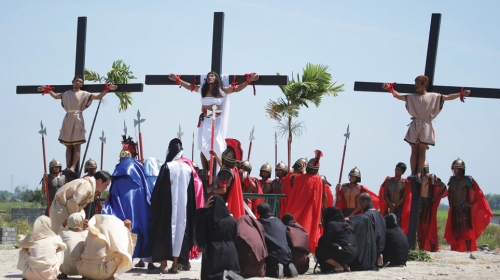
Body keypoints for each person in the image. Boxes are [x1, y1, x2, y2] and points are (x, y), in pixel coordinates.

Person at [382, 76, 471, 178]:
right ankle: (413, 173)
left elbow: (448, 97)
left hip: (426, 124)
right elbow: (399, 96)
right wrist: (390, 89)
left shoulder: (434, 96)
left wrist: (461, 93)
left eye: (418, 84)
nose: (416, 86)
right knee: (414, 151)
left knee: (422, 151)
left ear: (424, 85)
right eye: (415, 84)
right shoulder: (412, 97)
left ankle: (418, 173)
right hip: (415, 123)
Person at [168, 72, 259, 172]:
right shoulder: (203, 89)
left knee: (215, 146)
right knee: (202, 146)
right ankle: (205, 170)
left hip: (216, 121)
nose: (209, 77)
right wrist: (177, 80)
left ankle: (213, 170)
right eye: (208, 76)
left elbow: (237, 89)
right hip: (204, 120)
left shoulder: (221, 90)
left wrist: (248, 81)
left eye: (212, 76)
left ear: (216, 79)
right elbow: (190, 87)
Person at [38, 76, 117, 172]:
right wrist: (47, 89)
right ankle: (68, 166)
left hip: (77, 119)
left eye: (80, 82)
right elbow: (55, 96)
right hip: (68, 119)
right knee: (68, 145)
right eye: (77, 81)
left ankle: (73, 167)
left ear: (82, 84)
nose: (78, 83)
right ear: (73, 82)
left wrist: (107, 89)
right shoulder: (66, 94)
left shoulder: (84, 94)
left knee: (76, 145)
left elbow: (98, 97)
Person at [101, 136, 152, 266]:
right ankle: (145, 259)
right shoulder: (140, 169)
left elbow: (112, 191)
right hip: (139, 206)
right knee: (142, 227)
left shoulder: (118, 171)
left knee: (125, 228)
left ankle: (127, 258)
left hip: (122, 207)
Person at [149, 138, 197, 274]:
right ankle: (175, 266)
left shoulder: (167, 167)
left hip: (167, 208)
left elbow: (159, 190)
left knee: (164, 232)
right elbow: (191, 193)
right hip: (184, 208)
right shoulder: (189, 169)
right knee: (181, 233)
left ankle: (163, 264)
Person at [444, 158, 492, 252]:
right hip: (455, 208)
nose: (455, 170)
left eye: (456, 168)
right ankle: (456, 248)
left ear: (461, 169)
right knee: (455, 230)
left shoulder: (467, 180)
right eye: (454, 168)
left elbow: (477, 193)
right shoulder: (452, 180)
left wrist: (471, 204)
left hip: (464, 209)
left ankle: (469, 250)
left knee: (466, 231)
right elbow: (450, 192)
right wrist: (450, 202)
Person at [285, 151, 327, 254]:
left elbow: (302, 179)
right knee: (308, 228)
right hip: (311, 210)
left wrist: (303, 173)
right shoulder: (318, 179)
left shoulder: (298, 178)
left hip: (297, 208)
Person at [76, 215, 136, 280]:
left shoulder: (91, 232)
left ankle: (91, 274)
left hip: (82, 269)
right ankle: (110, 276)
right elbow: (128, 247)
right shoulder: (113, 235)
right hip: (103, 272)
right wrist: (128, 230)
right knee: (121, 253)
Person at [196, 195, 240, 280]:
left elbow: (195, 221)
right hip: (230, 249)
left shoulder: (207, 219)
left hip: (214, 250)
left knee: (211, 275)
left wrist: (203, 208)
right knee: (232, 275)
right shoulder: (231, 219)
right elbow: (235, 236)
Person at [17, 216, 66, 280]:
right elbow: (64, 247)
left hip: (30, 275)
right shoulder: (55, 238)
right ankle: (55, 276)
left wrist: (25, 238)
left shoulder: (31, 238)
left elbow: (20, 244)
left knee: (24, 249)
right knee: (60, 250)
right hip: (50, 275)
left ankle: (25, 272)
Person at [257, 203, 298, 278]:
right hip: (288, 254)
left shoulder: (260, 224)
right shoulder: (280, 222)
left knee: (265, 270)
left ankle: (275, 268)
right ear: (269, 210)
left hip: (273, 256)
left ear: (258, 213)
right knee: (283, 264)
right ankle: (288, 266)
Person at [208, 138, 245, 219]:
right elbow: (222, 164)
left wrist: (211, 190)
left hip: (223, 203)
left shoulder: (226, 171)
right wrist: (216, 154)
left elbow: (223, 190)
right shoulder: (233, 169)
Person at [315, 207, 358, 273]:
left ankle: (338, 266)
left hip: (345, 252)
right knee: (336, 249)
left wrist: (319, 243)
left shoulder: (332, 224)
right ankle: (346, 266)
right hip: (354, 253)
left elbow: (325, 241)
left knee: (320, 251)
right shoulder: (347, 224)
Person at [418, 161, 447, 252]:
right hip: (419, 205)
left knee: (428, 227)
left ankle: (432, 248)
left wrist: (435, 198)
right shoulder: (417, 178)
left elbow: (442, 185)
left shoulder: (429, 178)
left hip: (427, 205)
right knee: (420, 228)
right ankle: (421, 248)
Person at [378, 162, 412, 233]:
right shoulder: (388, 181)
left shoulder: (405, 183)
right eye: (396, 169)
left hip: (398, 208)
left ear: (402, 172)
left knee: (397, 226)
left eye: (399, 170)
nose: (397, 171)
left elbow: (404, 197)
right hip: (388, 207)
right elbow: (385, 194)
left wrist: (395, 206)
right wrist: (390, 204)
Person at [358, 193, 386, 267]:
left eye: (359, 203)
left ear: (365, 202)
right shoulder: (380, 215)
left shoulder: (367, 216)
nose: (358, 205)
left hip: (372, 248)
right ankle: (379, 255)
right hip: (381, 247)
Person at [58, 213, 88, 278]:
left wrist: (63, 225)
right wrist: (89, 227)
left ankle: (63, 274)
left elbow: (56, 236)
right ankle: (85, 276)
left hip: (66, 268)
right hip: (82, 269)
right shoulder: (87, 233)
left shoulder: (63, 233)